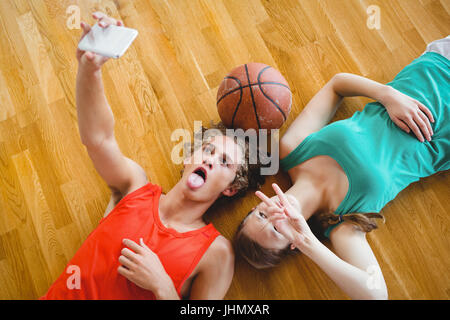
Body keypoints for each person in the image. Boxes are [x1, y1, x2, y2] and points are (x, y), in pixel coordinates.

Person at [40, 12, 263, 300]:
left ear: (230, 188)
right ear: (187, 159)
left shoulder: (216, 254)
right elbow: (98, 139)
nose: (209, 159)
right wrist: (90, 69)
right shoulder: (134, 186)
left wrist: (163, 287)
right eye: (207, 150)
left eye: (224, 162)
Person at [234, 36, 450, 300]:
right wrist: (309, 243)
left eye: (261, 216)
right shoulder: (343, 223)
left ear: (258, 205)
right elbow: (376, 294)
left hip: (434, 69)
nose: (275, 216)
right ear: (293, 244)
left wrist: (388, 95)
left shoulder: (292, 150)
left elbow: (337, 84)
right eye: (277, 230)